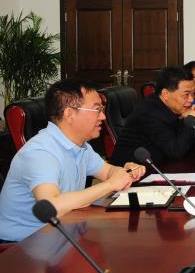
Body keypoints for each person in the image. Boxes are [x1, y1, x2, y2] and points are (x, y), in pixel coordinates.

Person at [0, 79, 145, 242]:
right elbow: (53, 206)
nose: (103, 116)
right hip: (22, 245)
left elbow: (108, 172)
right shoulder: (40, 153)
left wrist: (124, 172)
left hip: (61, 233)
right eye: (97, 109)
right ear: (69, 114)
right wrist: (111, 184)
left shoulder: (80, 146)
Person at [110, 66, 195, 166]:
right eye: (186, 95)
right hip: (131, 170)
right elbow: (176, 151)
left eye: (192, 94)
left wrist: (191, 121)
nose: (191, 99)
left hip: (160, 164)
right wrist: (192, 120)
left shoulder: (171, 107)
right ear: (166, 94)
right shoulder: (149, 114)